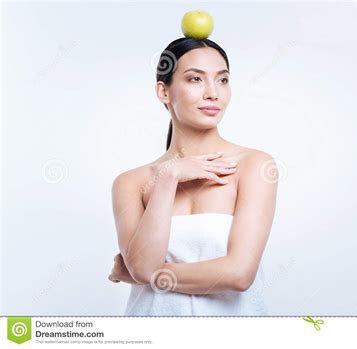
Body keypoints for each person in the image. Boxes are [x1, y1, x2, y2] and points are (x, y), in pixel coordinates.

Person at [108, 36, 279, 315]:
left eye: (222, 80)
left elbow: (239, 274)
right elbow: (143, 265)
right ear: (164, 92)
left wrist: (149, 275)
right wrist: (168, 177)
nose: (213, 93)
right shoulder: (131, 183)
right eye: (195, 79)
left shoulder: (254, 166)